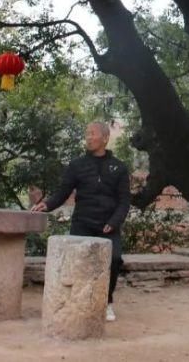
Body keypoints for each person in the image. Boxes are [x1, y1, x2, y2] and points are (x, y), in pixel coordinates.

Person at [31, 121, 130, 322]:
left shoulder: (119, 168)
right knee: (76, 261)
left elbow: (124, 201)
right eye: (87, 134)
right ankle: (75, 302)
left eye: (92, 134)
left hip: (108, 225)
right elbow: (62, 192)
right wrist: (47, 205)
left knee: (115, 259)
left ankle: (106, 301)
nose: (88, 137)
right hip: (82, 222)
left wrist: (114, 221)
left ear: (104, 138)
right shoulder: (77, 165)